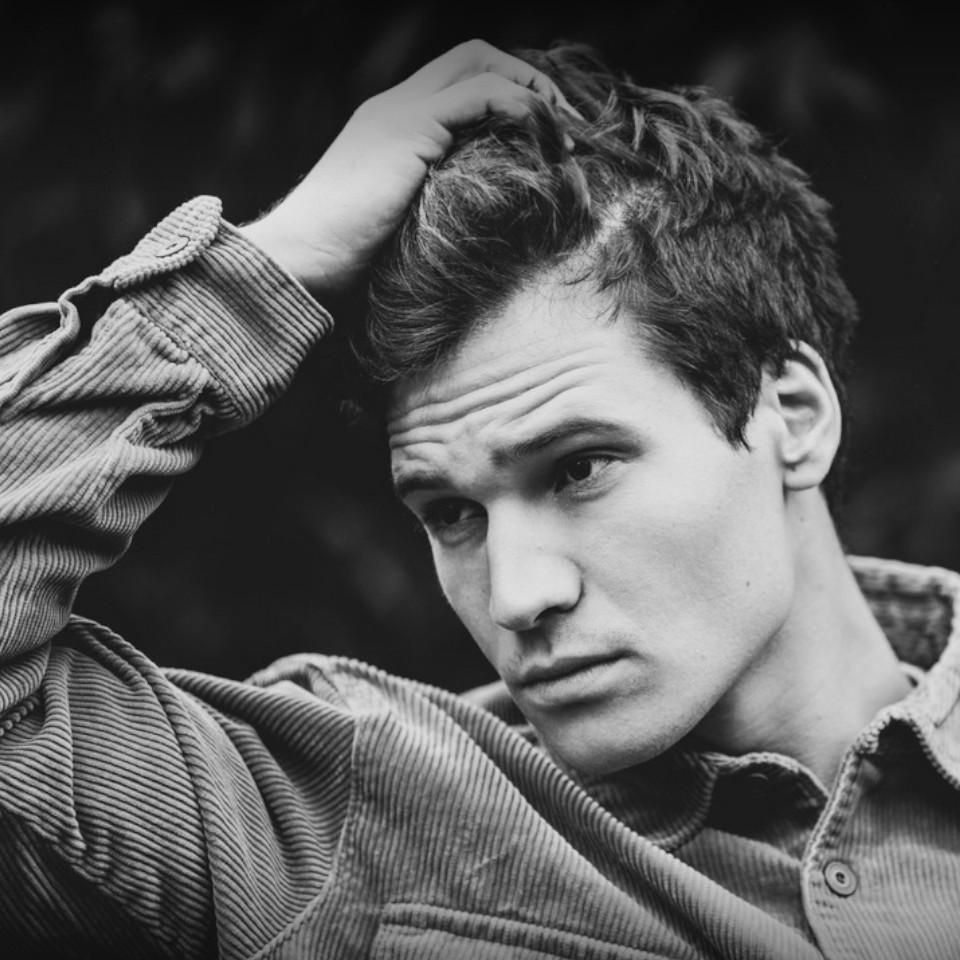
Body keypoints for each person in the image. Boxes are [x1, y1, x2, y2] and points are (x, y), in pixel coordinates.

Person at [0, 36, 957, 959]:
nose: (515, 595)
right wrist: (268, 269)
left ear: (794, 416)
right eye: (451, 513)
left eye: (579, 468)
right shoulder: (349, 819)